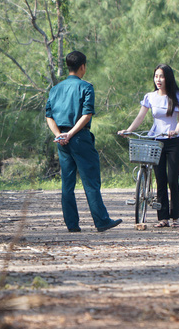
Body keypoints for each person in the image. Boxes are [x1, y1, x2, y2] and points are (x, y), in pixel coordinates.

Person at [46, 51, 123, 233]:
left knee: (67, 183)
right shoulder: (86, 87)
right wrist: (71, 134)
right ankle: (101, 221)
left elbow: (49, 116)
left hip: (61, 140)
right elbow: (86, 115)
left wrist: (60, 135)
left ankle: (72, 224)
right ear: (83, 66)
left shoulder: (55, 89)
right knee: (90, 180)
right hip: (79, 137)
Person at [118, 64, 179, 228]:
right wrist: (128, 130)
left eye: (161, 76)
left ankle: (175, 217)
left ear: (168, 78)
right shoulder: (150, 96)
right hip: (156, 141)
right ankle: (162, 218)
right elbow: (140, 117)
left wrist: (175, 131)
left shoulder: (177, 96)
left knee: (172, 179)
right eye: (156, 76)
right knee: (160, 180)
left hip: (173, 141)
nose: (158, 80)